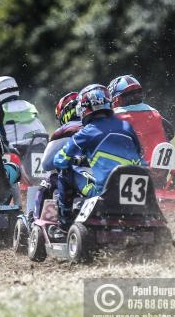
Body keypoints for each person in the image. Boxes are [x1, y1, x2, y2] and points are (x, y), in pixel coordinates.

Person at [53, 84, 144, 231]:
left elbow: (60, 160)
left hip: (104, 193)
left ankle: (64, 223)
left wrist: (76, 160)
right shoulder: (127, 127)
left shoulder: (86, 133)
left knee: (65, 171)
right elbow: (140, 154)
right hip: (137, 193)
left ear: (84, 109)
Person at [32, 92, 83, 218]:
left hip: (71, 183)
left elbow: (46, 164)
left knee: (46, 185)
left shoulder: (64, 131)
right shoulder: (96, 126)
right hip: (98, 179)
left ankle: (37, 220)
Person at [108, 75, 175, 163]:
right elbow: (170, 133)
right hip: (160, 172)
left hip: (128, 171)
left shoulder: (113, 116)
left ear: (117, 99)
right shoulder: (154, 112)